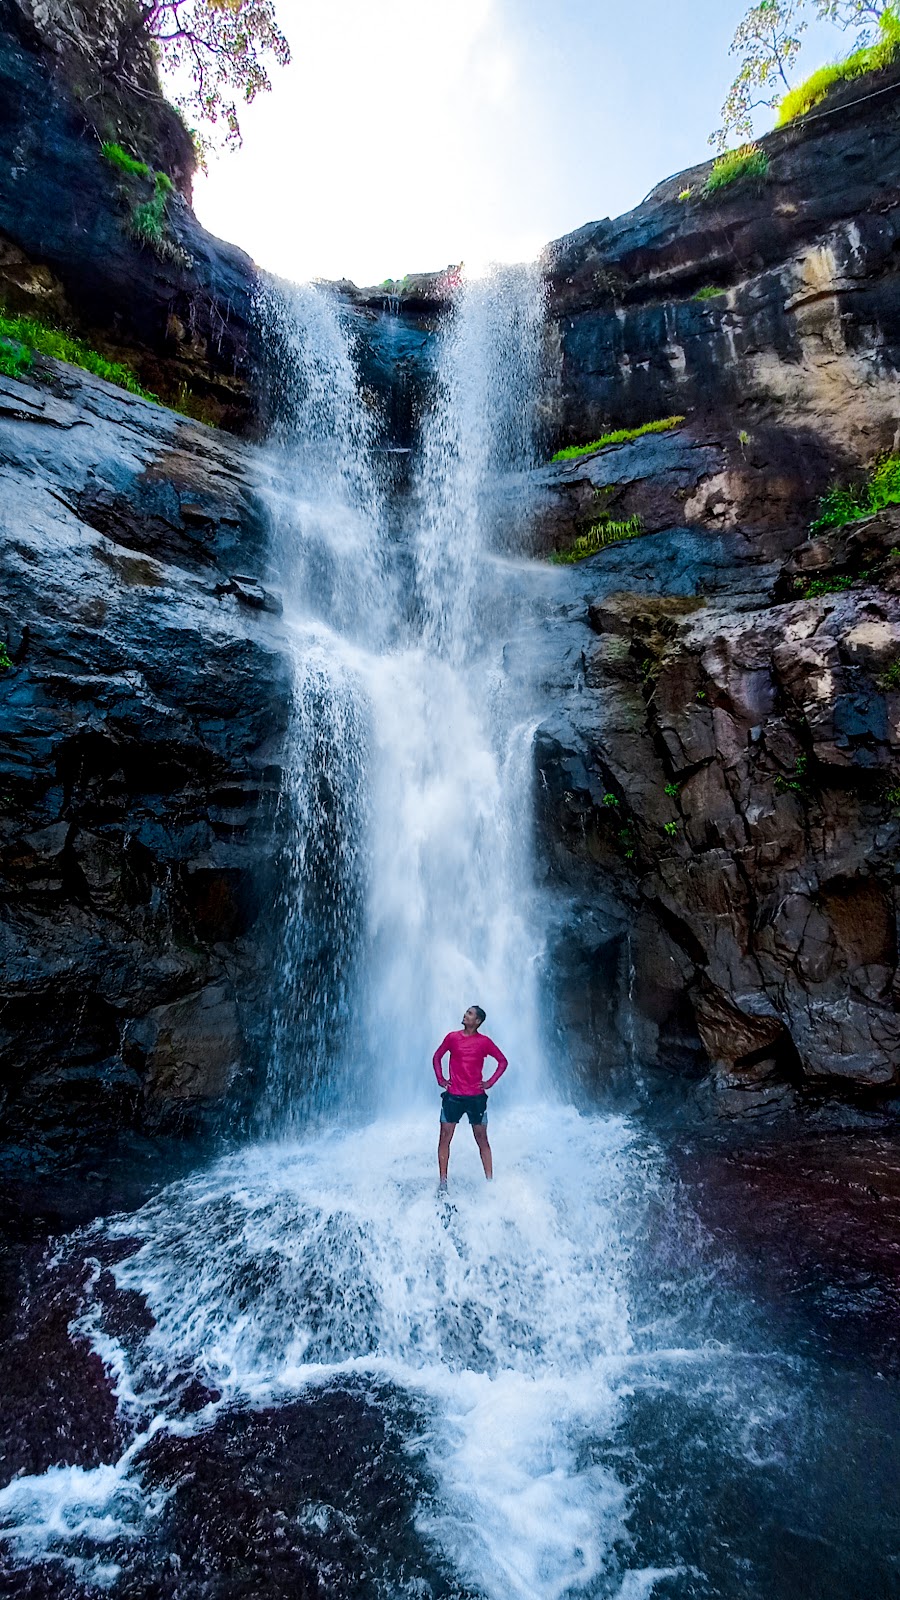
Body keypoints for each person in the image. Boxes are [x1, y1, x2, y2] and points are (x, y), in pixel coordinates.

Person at [432, 1006, 508, 1193]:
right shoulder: (452, 1038)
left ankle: (490, 1182)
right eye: (466, 1012)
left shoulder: (484, 1042)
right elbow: (437, 1057)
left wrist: (490, 1082)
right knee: (444, 1138)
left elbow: (503, 1061)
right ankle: (443, 1183)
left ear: (478, 1021)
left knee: (482, 1138)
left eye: (470, 1013)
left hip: (476, 1098)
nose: (465, 1015)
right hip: (453, 1096)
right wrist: (440, 1079)